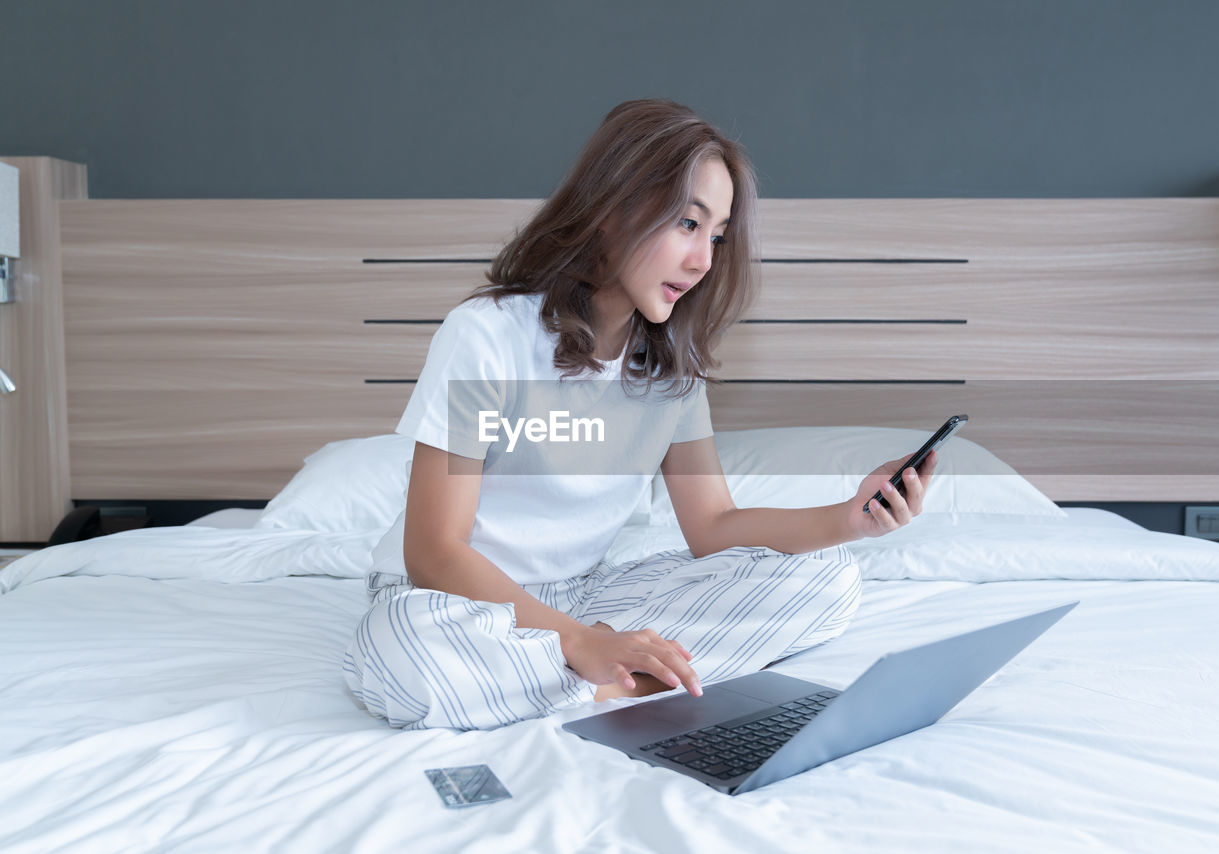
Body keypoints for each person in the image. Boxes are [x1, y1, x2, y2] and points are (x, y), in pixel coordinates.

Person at [343, 99, 936, 731]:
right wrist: (578, 643)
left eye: (716, 236)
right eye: (687, 223)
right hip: (455, 598)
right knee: (401, 646)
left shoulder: (672, 367)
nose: (704, 261)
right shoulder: (485, 335)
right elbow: (433, 551)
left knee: (828, 577)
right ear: (612, 209)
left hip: (589, 591)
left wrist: (850, 517)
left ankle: (598, 684)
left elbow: (712, 527)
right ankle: (628, 688)